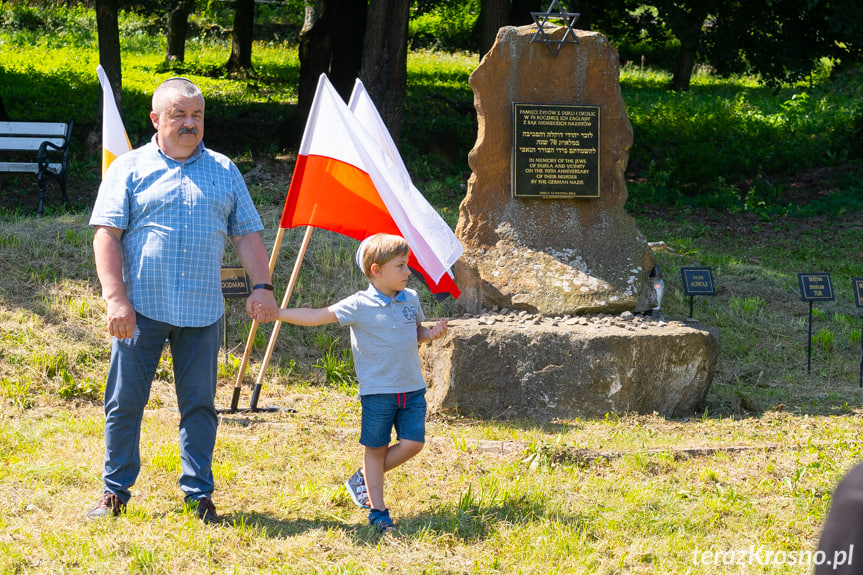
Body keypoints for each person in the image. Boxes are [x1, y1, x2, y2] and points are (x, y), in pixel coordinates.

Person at [87, 76, 279, 524]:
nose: (189, 123)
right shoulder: (129, 169)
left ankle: (199, 495)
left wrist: (262, 286)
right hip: (141, 310)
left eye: (197, 116)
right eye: (179, 115)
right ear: (156, 119)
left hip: (201, 312)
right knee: (124, 402)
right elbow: (106, 236)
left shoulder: (224, 170)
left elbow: (247, 233)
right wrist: (116, 298)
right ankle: (114, 491)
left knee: (199, 406)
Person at [255, 233, 448, 533]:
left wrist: (431, 334)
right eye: (401, 266)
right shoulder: (359, 304)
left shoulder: (411, 298)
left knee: (413, 443)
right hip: (378, 393)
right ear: (376, 270)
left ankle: (364, 478)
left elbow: (416, 332)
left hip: (412, 388)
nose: (408, 272)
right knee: (376, 448)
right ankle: (378, 512)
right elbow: (317, 316)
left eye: (407, 264)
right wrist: (278, 313)